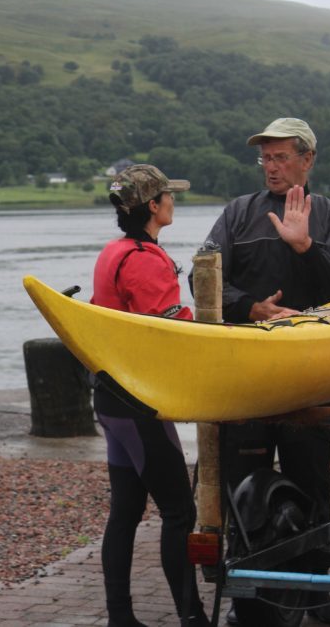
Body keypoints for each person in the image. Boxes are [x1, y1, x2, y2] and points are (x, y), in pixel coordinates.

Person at [202, 118, 330, 626]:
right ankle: (247, 597)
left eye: (280, 157)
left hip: (313, 377)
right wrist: (250, 308)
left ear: (307, 159)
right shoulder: (237, 214)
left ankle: (317, 595)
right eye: (265, 159)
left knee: (313, 483)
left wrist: (304, 246)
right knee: (242, 486)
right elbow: (202, 278)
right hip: (246, 378)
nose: (271, 167)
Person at [91, 164, 210, 627]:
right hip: (139, 404)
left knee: (125, 511)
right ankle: (192, 618)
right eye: (168, 197)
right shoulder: (143, 258)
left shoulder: (113, 250)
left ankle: (121, 617)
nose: (172, 203)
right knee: (180, 511)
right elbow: (168, 328)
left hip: (111, 401)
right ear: (153, 207)